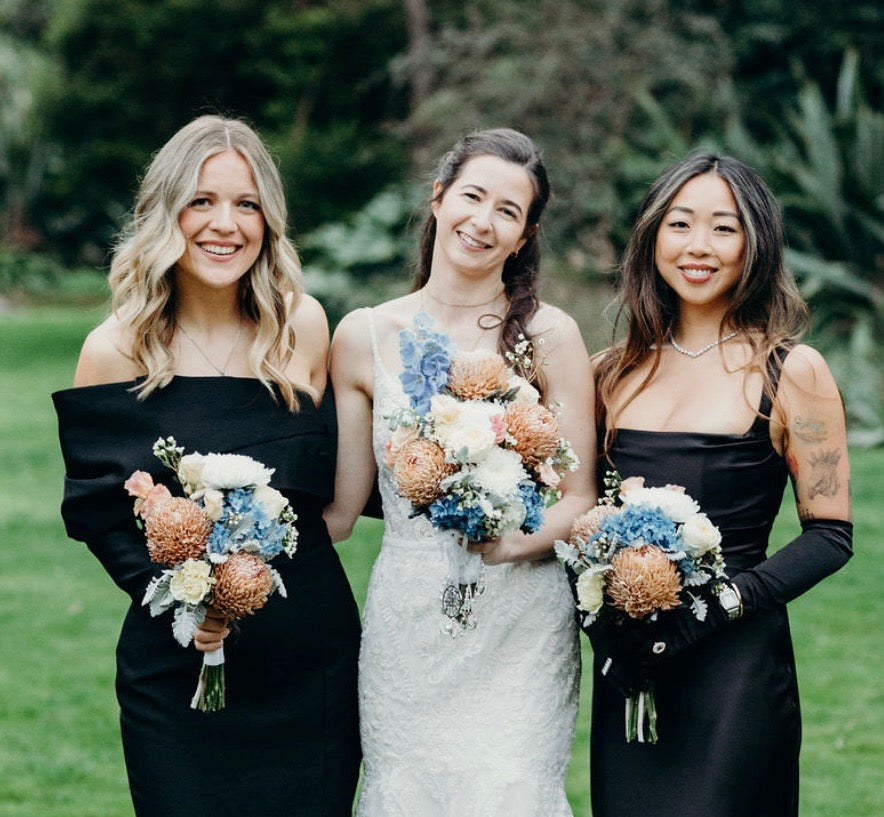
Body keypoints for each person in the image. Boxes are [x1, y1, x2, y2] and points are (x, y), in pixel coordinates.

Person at [52, 115, 360, 817]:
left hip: (309, 662)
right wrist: (192, 607)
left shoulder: (303, 325)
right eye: (203, 201)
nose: (226, 224)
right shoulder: (116, 348)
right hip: (177, 665)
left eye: (246, 204)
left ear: (268, 220)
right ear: (166, 214)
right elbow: (103, 510)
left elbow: (333, 496)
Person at [323, 128, 596, 815]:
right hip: (409, 615)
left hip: (522, 615)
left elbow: (579, 496)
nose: (484, 220)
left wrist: (513, 543)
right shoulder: (363, 335)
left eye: (508, 210)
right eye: (472, 196)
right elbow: (342, 509)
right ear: (439, 199)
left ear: (525, 233)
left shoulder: (551, 335)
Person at [588, 153, 853, 816]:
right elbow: (577, 515)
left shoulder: (791, 370)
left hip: (737, 665)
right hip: (631, 667)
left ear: (754, 244)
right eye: (680, 224)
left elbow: (830, 535)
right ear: (653, 237)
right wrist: (604, 619)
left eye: (723, 227)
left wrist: (719, 606)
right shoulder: (608, 375)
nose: (698, 246)